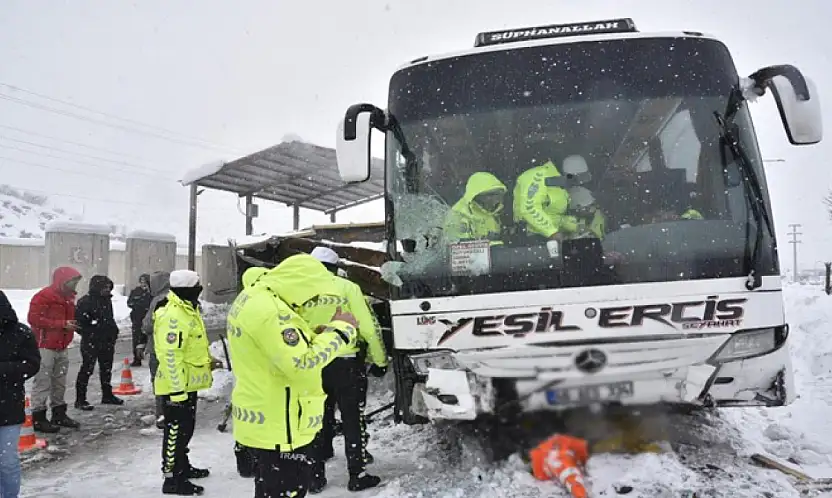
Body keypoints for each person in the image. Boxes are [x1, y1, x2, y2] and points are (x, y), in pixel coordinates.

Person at [227, 254, 360, 498]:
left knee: (269, 490)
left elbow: (276, 349)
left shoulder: (257, 298)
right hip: (282, 425)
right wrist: (342, 330)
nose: (311, 302)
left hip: (268, 419)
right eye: (312, 295)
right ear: (301, 284)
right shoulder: (273, 312)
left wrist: (313, 336)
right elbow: (301, 363)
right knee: (286, 490)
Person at [309, 246, 388, 493]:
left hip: (313, 363)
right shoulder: (348, 288)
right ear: (335, 267)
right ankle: (357, 473)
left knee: (315, 418)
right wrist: (380, 360)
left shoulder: (300, 289)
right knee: (353, 418)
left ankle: (315, 476)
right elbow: (369, 328)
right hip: (346, 363)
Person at [153, 270, 214, 496]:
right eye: (197, 285)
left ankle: (183, 466)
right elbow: (170, 356)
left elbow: (191, 347)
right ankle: (172, 479)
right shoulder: (174, 315)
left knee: (185, 431)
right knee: (174, 434)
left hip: (187, 385)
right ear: (187, 289)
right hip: (176, 387)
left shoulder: (188, 309)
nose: (200, 289)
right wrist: (177, 393)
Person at [28, 266, 82, 432]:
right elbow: (33, 319)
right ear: (63, 281)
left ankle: (59, 414)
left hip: (62, 345)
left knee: (59, 382)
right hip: (45, 346)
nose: (75, 285)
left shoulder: (69, 298)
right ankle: (39, 417)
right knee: (43, 382)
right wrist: (61, 324)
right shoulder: (44, 296)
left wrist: (70, 325)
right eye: (72, 281)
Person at [0, 290, 41, 498]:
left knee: (6, 460)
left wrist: (3, 370)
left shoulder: (20, 333)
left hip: (8, 406)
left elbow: (32, 364)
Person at [74, 275, 124, 410]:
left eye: (108, 287)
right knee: (87, 369)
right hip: (91, 341)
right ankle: (80, 399)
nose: (107, 290)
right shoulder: (85, 302)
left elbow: (109, 319)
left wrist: (113, 331)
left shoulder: (106, 300)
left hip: (107, 341)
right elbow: (79, 324)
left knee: (106, 369)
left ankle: (107, 395)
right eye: (104, 287)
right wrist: (91, 333)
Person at [513, 159, 576, 240]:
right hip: (531, 236)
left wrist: (573, 225)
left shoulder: (561, 181)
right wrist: (552, 232)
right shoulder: (538, 175)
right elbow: (529, 208)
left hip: (552, 235)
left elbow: (554, 215)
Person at [141, 270, 171, 429]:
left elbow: (148, 325)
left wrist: (144, 327)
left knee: (159, 382)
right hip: (172, 348)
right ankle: (174, 413)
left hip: (157, 347)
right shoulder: (177, 298)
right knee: (173, 381)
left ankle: (162, 414)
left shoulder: (158, 300)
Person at [443, 172, 507, 245]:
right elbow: (460, 247)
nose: (497, 198)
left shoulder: (494, 212)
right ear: (476, 195)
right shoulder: (458, 216)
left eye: (499, 194)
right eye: (491, 194)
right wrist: (496, 245)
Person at [127, 274, 152, 367]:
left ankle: (151, 357)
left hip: (148, 318)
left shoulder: (151, 292)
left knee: (149, 338)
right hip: (137, 319)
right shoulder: (136, 291)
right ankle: (137, 359)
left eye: (145, 281)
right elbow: (130, 303)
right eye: (141, 281)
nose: (143, 284)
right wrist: (138, 303)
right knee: (137, 339)